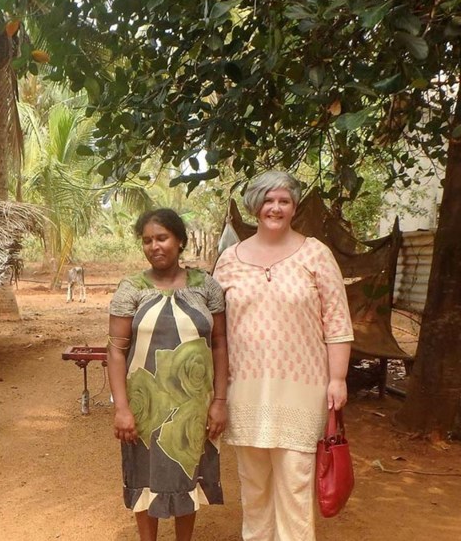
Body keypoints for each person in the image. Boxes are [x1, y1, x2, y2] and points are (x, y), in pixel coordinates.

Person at [213, 171, 353, 541]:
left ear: (293, 208)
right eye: (268, 200)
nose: (275, 207)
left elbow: (337, 321)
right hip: (244, 391)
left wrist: (337, 379)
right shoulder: (229, 260)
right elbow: (216, 332)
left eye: (284, 201)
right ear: (255, 205)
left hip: (303, 390)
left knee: (295, 484)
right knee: (254, 487)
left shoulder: (316, 254)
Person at [107, 208, 229, 541]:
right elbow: (116, 351)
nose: (154, 246)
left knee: (187, 472)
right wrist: (122, 409)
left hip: (194, 403)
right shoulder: (131, 289)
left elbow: (219, 344)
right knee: (145, 477)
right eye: (147, 240)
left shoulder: (206, 286)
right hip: (144, 403)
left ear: (179, 241)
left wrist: (219, 401)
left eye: (162, 238)